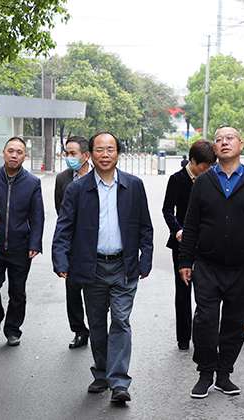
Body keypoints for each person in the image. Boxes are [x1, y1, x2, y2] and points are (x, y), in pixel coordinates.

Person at [52, 131, 153, 403]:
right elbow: (64, 228)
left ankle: (118, 381)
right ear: (90, 155)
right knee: (96, 323)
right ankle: (101, 372)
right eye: (99, 149)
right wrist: (60, 259)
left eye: (110, 149)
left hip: (124, 266)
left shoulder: (133, 185)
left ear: (118, 153)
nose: (105, 154)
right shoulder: (77, 189)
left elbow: (145, 226)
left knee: (120, 320)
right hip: (91, 266)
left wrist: (145, 259)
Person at [179, 125, 244, 398]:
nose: (224, 142)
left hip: (243, 267)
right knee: (205, 321)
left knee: (234, 324)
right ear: (214, 148)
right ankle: (205, 373)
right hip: (207, 265)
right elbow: (191, 224)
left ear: (241, 145)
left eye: (230, 138)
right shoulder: (204, 182)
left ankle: (224, 375)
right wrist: (185, 260)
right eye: (219, 139)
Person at [0, 137, 44, 347]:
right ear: (3, 153)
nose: (14, 155)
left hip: (20, 246)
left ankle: (13, 330)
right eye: (10, 151)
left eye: (19, 152)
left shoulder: (32, 182)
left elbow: (37, 215)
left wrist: (35, 243)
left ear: (25, 156)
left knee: (17, 291)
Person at [162, 140, 216, 350]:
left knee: (207, 291)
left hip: (207, 242)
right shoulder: (177, 179)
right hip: (182, 242)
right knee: (183, 292)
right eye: (205, 165)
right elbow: (167, 210)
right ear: (193, 161)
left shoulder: (212, 179)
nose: (208, 169)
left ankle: (204, 335)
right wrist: (177, 230)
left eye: (211, 165)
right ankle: (183, 337)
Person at [54, 136, 92, 349]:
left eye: (73, 153)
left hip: (96, 244)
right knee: (73, 290)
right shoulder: (63, 179)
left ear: (86, 155)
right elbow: (60, 212)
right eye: (66, 153)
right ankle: (79, 330)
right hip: (72, 245)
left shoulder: (99, 175)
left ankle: (97, 327)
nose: (68, 157)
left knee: (97, 291)